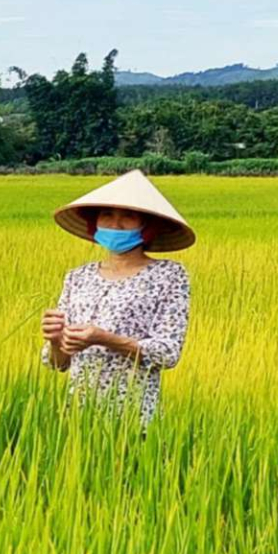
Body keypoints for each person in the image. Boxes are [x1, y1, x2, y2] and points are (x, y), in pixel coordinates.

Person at [41, 169, 193, 424]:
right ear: (94, 222)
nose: (115, 224)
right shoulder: (78, 277)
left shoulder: (169, 275)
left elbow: (168, 353)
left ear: (147, 226)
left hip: (135, 417)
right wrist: (56, 340)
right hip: (77, 416)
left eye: (128, 216)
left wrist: (105, 339)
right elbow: (58, 364)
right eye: (107, 214)